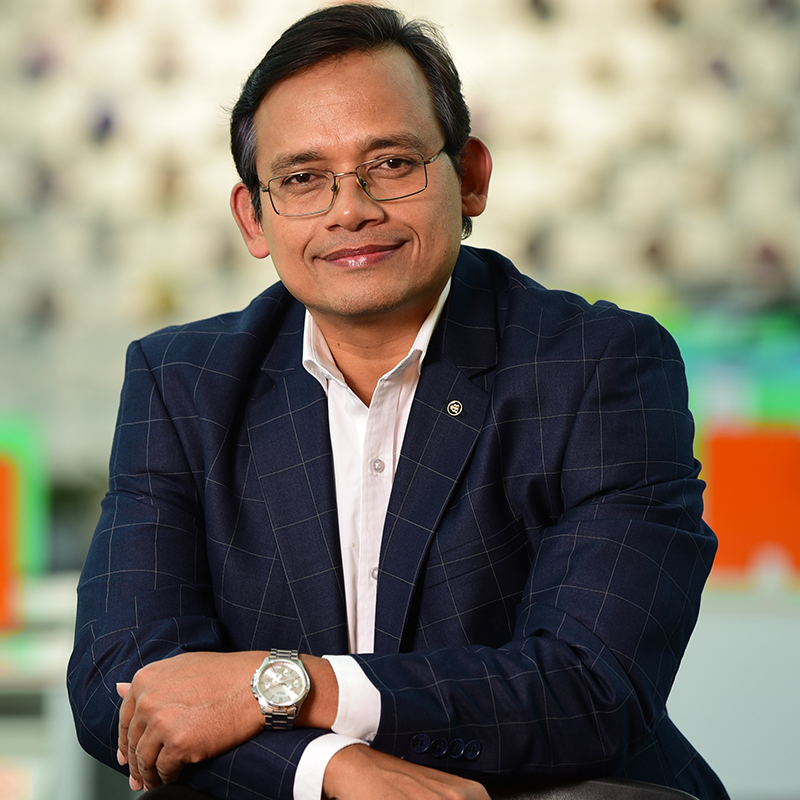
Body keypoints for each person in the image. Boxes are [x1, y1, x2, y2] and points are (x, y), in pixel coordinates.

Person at [67, 5, 728, 800]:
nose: (350, 209)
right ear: (254, 217)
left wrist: (293, 687)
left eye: (390, 163)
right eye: (302, 178)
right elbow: (122, 687)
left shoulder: (600, 366)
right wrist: (332, 769)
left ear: (471, 177)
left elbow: (592, 686)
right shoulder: (182, 383)